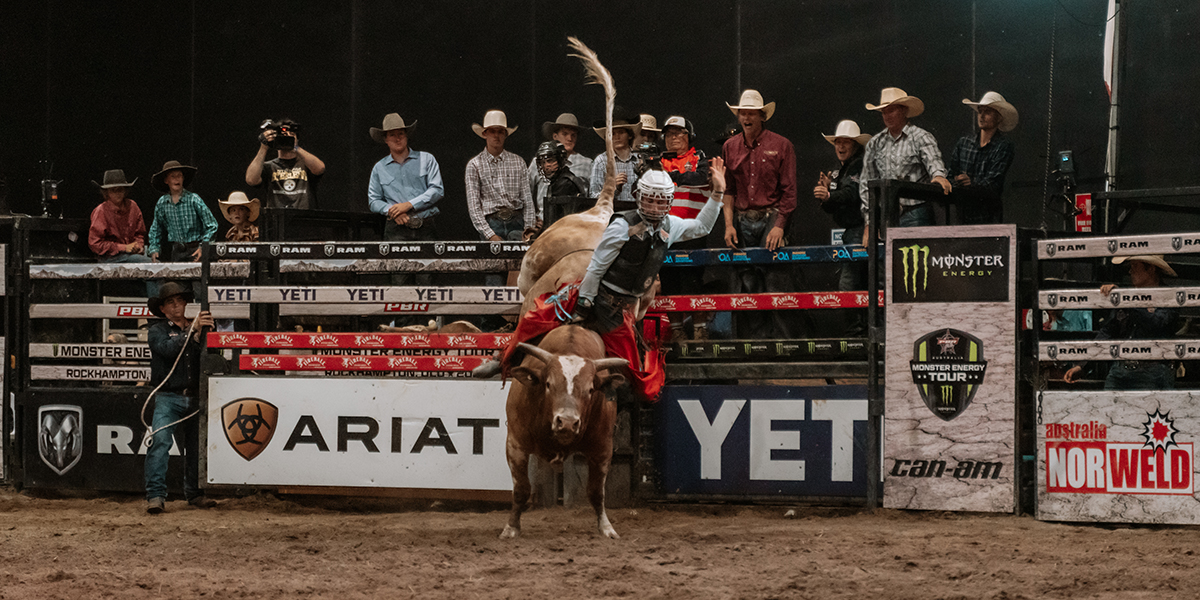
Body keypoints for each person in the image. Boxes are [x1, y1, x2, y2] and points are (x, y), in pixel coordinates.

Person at [481, 160, 727, 400]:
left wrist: (717, 192)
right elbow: (597, 266)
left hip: (622, 307)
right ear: (640, 198)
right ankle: (501, 359)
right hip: (596, 292)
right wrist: (585, 301)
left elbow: (701, 227)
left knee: (637, 378)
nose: (654, 206)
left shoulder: (669, 227)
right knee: (536, 317)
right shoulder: (622, 226)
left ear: (668, 202)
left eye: (660, 201)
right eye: (650, 199)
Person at [721, 89, 799, 339]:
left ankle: (786, 343)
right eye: (743, 112)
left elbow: (789, 191)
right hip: (743, 218)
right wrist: (728, 225)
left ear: (762, 116)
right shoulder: (729, 147)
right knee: (748, 283)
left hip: (770, 215)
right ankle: (757, 343)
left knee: (776, 280)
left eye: (751, 113)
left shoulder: (782, 145)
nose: (747, 117)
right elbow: (728, 190)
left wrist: (780, 225)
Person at [144, 281, 217, 514]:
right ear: (163, 309)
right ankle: (155, 495)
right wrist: (192, 331)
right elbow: (166, 349)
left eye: (179, 301)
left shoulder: (197, 328)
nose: (176, 306)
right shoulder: (157, 330)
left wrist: (201, 335)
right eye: (170, 302)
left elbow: (209, 356)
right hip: (168, 395)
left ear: (185, 303)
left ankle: (194, 493)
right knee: (160, 443)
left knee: (196, 448)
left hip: (194, 395)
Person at [1063, 255, 1180, 390]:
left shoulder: (1169, 297)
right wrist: (1083, 365)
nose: (1130, 272)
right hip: (1121, 369)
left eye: (1135, 267)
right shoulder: (1128, 297)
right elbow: (1108, 331)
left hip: (1153, 370)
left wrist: (1125, 300)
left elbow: (1156, 324)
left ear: (1151, 269)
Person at [858, 87, 952, 232]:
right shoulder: (875, 143)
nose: (887, 115)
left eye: (891, 110)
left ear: (903, 111)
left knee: (918, 252)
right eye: (884, 112)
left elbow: (933, 160)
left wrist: (938, 175)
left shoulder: (920, 137)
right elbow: (867, 182)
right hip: (888, 214)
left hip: (916, 210)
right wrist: (870, 221)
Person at [466, 110, 536, 289]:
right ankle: (493, 318)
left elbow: (527, 200)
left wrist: (529, 230)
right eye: (492, 131)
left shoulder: (518, 162)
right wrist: (490, 235)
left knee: (520, 279)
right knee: (494, 281)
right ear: (485, 134)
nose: (496, 136)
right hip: (492, 222)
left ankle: (517, 317)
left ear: (505, 134)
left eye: (500, 131)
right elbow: (474, 206)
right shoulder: (474, 165)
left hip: (517, 223)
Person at [659, 116, 714, 340]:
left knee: (693, 281)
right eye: (668, 134)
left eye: (678, 133)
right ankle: (676, 330)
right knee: (670, 283)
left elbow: (701, 178)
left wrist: (672, 177)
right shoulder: (658, 161)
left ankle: (700, 328)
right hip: (666, 233)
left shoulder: (699, 158)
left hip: (693, 230)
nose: (672, 138)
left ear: (688, 136)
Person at [815, 120, 871, 335]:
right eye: (838, 142)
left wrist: (829, 195)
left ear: (855, 144)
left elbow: (852, 194)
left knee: (849, 284)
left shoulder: (859, 165)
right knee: (861, 282)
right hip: (853, 231)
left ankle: (855, 333)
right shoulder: (843, 170)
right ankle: (861, 331)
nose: (841, 146)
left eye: (846, 142)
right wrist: (828, 196)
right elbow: (838, 204)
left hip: (859, 230)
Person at [367, 113, 444, 261]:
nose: (397, 138)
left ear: (406, 135)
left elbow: (437, 190)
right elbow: (374, 200)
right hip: (396, 230)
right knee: (398, 279)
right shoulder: (379, 168)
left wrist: (408, 205)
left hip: (425, 227)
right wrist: (393, 211)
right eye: (392, 135)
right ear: (386, 139)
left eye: (401, 133)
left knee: (427, 279)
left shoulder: (427, 159)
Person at [947, 92, 1018, 224]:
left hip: (989, 217)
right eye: (980, 111)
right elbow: (950, 175)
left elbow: (993, 184)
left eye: (988, 112)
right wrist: (957, 181)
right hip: (963, 215)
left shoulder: (1003, 146)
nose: (982, 116)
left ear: (999, 118)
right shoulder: (964, 143)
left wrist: (971, 184)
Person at [244, 118, 326, 210]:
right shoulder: (269, 166)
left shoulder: (306, 164)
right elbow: (251, 180)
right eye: (282, 136)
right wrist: (264, 146)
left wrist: (295, 147)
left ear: (297, 139)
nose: (285, 138)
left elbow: (320, 168)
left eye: (291, 135)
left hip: (303, 218)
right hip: (277, 219)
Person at [146, 161, 219, 262]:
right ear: (166, 180)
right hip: (177, 251)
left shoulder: (194, 199)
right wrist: (154, 249)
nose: (177, 179)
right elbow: (156, 229)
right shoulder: (162, 203)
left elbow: (212, 225)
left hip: (195, 249)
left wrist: (204, 247)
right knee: (177, 276)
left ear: (183, 178)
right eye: (173, 176)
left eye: (179, 176)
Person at [528, 113, 592, 225]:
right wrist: (532, 219)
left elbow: (592, 196)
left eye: (573, 135)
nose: (569, 138)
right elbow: (526, 193)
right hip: (544, 222)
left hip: (574, 223)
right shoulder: (539, 162)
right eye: (565, 134)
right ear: (555, 136)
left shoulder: (587, 164)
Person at [89, 169, 148, 263]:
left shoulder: (133, 206)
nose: (117, 193)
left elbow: (139, 234)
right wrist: (123, 248)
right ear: (106, 193)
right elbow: (95, 244)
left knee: (153, 264)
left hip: (131, 255)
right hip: (110, 257)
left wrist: (138, 246)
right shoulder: (101, 211)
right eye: (113, 190)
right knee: (150, 265)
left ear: (125, 191)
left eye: (120, 189)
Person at [589, 108, 642, 207]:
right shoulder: (601, 161)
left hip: (636, 214)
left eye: (621, 132)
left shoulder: (640, 160)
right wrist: (612, 188)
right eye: (612, 133)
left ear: (629, 135)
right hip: (611, 215)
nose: (617, 137)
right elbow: (593, 197)